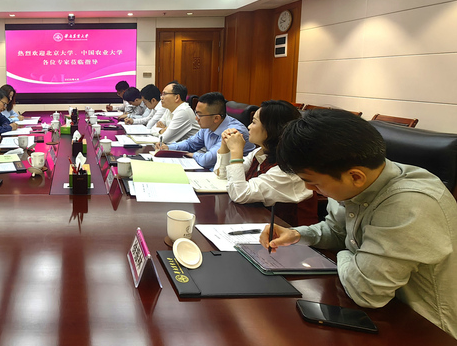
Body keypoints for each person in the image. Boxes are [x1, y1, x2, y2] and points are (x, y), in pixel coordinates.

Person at [261, 109, 457, 338]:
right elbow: (337, 231)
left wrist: (346, 252)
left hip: (425, 330)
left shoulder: (410, 204)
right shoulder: (351, 180)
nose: (309, 189)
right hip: (378, 314)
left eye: (313, 183)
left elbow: (367, 292)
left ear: (355, 177)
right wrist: (297, 235)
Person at [213, 100, 312, 209]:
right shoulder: (261, 152)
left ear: (271, 128)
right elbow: (223, 175)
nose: (249, 126)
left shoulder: (288, 169)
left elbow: (240, 195)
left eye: (254, 122)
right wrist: (224, 146)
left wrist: (236, 152)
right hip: (257, 215)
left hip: (282, 220)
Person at [154, 92, 254, 170]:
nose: (196, 118)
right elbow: (191, 143)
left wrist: (192, 154)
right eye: (196, 113)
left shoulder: (233, 131)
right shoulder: (208, 126)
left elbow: (208, 160)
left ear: (216, 118)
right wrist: (168, 148)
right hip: (213, 172)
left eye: (199, 115)